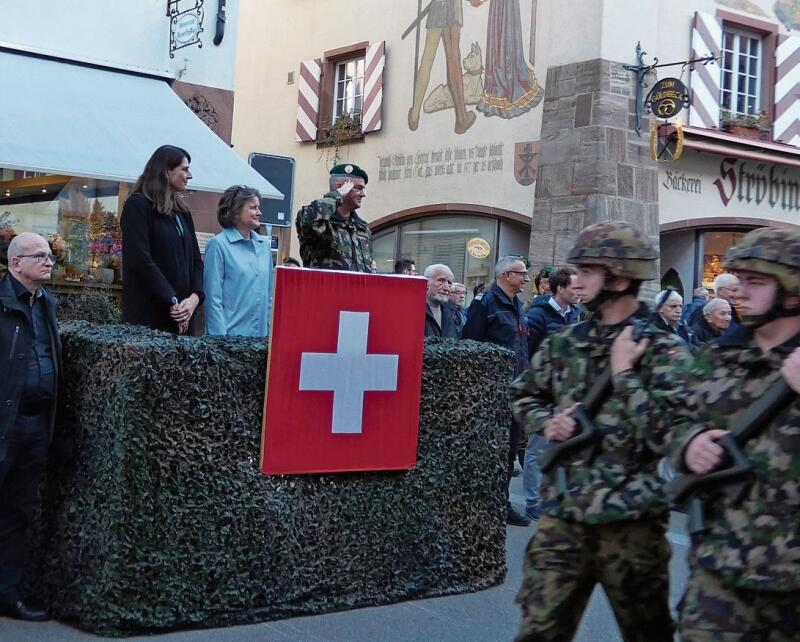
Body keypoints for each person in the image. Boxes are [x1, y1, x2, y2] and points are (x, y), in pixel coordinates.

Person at [509, 221, 693, 641]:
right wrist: (546, 421)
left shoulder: (664, 351)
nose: (577, 280)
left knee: (646, 632)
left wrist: (626, 376)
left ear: (621, 278)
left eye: (588, 271)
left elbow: (670, 434)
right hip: (564, 517)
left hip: (631, 523)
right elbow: (523, 395)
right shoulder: (565, 341)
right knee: (539, 631)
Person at [667, 227, 800, 641]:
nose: (740, 293)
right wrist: (688, 444)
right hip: (720, 569)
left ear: (793, 292)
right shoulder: (717, 358)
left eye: (756, 282)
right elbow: (673, 420)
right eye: (740, 281)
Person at [0, 233, 62, 622]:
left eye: (51, 255)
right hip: (5, 422)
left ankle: (7, 594)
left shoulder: (48, 304)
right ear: (15, 263)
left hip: (36, 423)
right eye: (40, 255)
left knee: (18, 513)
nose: (49, 261)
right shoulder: (3, 304)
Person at [463, 255, 531, 526]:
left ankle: (500, 502)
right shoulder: (486, 304)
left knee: (510, 450)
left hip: (515, 390)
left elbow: (521, 346)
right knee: (490, 451)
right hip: (492, 393)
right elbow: (470, 346)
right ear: (505, 275)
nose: (526, 279)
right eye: (521, 274)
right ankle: (482, 504)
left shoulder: (517, 305)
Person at [120, 145, 204, 334]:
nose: (189, 175)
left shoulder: (183, 213)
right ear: (166, 172)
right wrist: (171, 300)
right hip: (149, 320)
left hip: (183, 319)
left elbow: (196, 261)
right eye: (184, 169)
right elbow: (140, 260)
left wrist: (194, 299)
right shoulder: (138, 206)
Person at [521, 267, 579, 521]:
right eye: (574, 288)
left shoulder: (576, 314)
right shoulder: (537, 316)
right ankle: (533, 500)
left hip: (567, 393)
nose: (579, 292)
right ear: (559, 288)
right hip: (544, 392)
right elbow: (527, 353)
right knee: (538, 447)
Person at [203, 186, 273, 337]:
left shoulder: (264, 246)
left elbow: (269, 296)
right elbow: (213, 299)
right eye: (253, 208)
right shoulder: (218, 245)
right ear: (235, 212)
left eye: (258, 207)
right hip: (230, 339)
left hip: (261, 340)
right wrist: (220, 342)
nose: (259, 212)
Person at [408, 0, 476, 134]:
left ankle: (415, 114)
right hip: (452, 6)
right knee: (453, 58)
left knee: (428, 58)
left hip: (438, 6)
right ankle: (461, 118)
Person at [295, 164, 373, 272]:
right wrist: (337, 195)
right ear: (340, 187)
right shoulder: (322, 222)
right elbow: (309, 222)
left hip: (358, 288)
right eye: (358, 188)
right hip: (326, 287)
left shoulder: (362, 228)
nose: (363, 194)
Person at [424, 264, 460, 338]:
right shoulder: (413, 311)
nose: (446, 287)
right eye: (441, 280)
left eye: (449, 283)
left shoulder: (453, 313)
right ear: (426, 282)